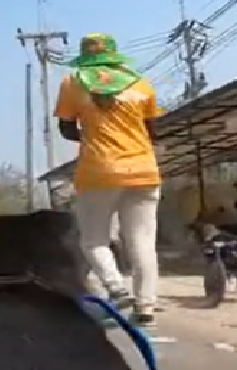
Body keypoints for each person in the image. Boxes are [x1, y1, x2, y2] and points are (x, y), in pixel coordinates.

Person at [54, 33, 163, 326]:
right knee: (142, 242)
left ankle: (115, 288)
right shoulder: (140, 83)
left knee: (93, 240)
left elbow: (66, 129)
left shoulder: (73, 82)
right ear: (115, 55)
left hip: (98, 171)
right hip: (144, 170)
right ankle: (146, 307)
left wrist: (92, 136)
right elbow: (153, 131)